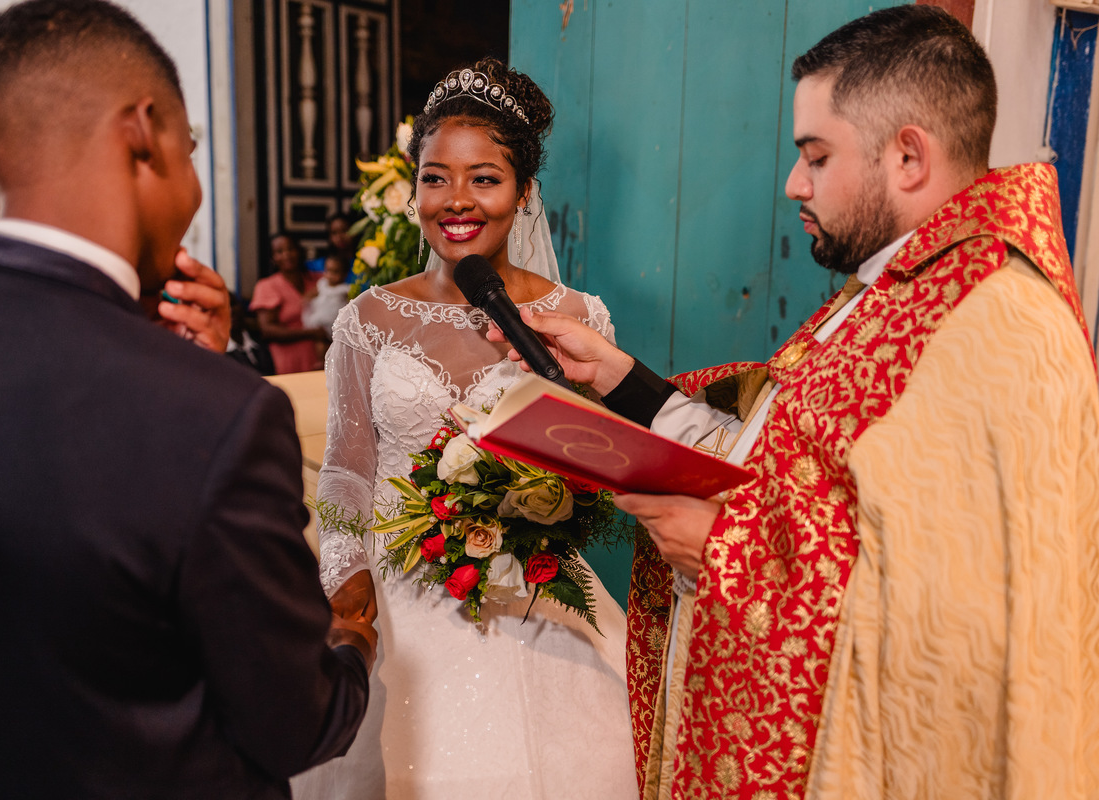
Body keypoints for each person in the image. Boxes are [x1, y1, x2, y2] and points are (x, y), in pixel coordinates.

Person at [490, 7, 1098, 798]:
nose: (793, 184)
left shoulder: (1001, 325)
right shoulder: (894, 290)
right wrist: (617, 378)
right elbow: (777, 459)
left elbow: (970, 634)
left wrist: (726, 551)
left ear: (908, 155)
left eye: (815, 156)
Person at [0, 2, 376, 798]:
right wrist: (353, 644)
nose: (192, 185)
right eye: (191, 151)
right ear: (145, 133)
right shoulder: (212, 416)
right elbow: (295, 722)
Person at [292, 57, 638, 799]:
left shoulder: (581, 319)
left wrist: (540, 512)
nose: (456, 201)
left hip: (534, 583)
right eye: (434, 177)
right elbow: (345, 471)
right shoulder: (369, 320)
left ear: (523, 195)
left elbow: (591, 468)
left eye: (484, 178)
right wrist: (346, 580)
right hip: (398, 592)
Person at [251, 231, 326, 373]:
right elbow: (267, 330)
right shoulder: (267, 286)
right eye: (279, 251)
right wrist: (311, 333)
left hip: (323, 358)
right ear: (273, 258)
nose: (287, 255)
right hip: (289, 361)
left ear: (299, 251)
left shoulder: (318, 280)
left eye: (290, 249)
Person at [302, 251, 351, 338]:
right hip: (320, 318)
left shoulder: (345, 289)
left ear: (345, 274)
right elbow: (309, 295)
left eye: (336, 272)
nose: (331, 275)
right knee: (319, 343)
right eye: (328, 270)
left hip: (334, 321)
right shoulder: (322, 284)